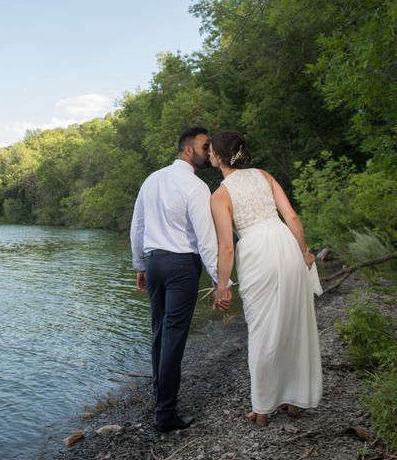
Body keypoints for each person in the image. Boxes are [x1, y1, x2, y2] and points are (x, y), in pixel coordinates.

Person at [209, 131, 322, 427]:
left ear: (220, 157)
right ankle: (294, 399)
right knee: (293, 322)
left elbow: (226, 247)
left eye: (211, 151)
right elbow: (292, 217)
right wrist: (305, 252)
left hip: (256, 252)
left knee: (262, 330)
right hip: (284, 242)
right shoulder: (264, 175)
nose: (208, 154)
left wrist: (222, 286)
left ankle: (262, 408)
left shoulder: (220, 195)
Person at [130, 126, 231, 432]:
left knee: (159, 333)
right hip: (181, 266)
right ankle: (164, 414)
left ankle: (159, 400)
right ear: (188, 149)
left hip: (155, 262)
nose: (208, 151)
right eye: (204, 146)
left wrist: (141, 265)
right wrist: (219, 282)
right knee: (173, 338)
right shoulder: (196, 186)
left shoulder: (152, 179)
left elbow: (138, 226)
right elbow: (205, 238)